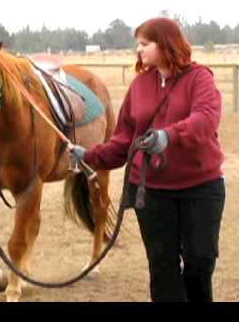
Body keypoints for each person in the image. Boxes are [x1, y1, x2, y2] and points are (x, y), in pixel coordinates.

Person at [68, 17, 226, 302]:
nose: (138, 50)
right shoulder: (140, 85)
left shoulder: (200, 79)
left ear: (165, 44)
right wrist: (89, 156)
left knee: (200, 263)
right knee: (162, 270)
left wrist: (169, 136)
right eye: (137, 44)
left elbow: (205, 120)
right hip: (152, 193)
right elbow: (123, 140)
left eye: (144, 44)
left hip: (201, 188)